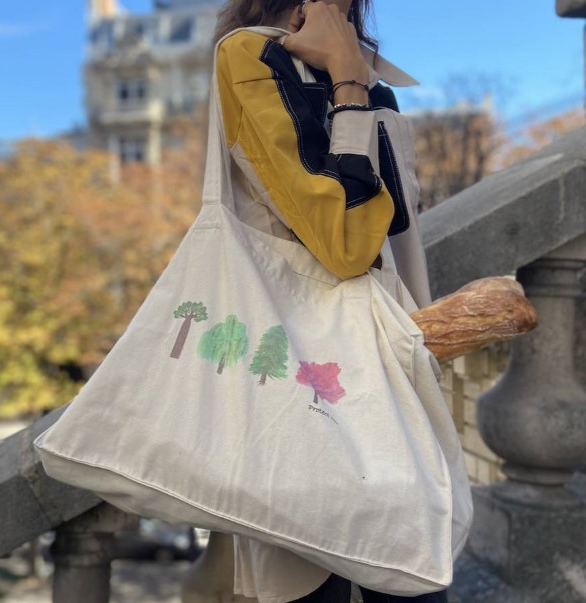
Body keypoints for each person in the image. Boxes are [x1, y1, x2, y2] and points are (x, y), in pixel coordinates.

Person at [212, 1, 448, 602]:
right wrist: (346, 80)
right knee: (313, 582)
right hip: (301, 377)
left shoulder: (371, 77)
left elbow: (399, 245)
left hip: (390, 366)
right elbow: (345, 244)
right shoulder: (252, 54)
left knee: (415, 574)